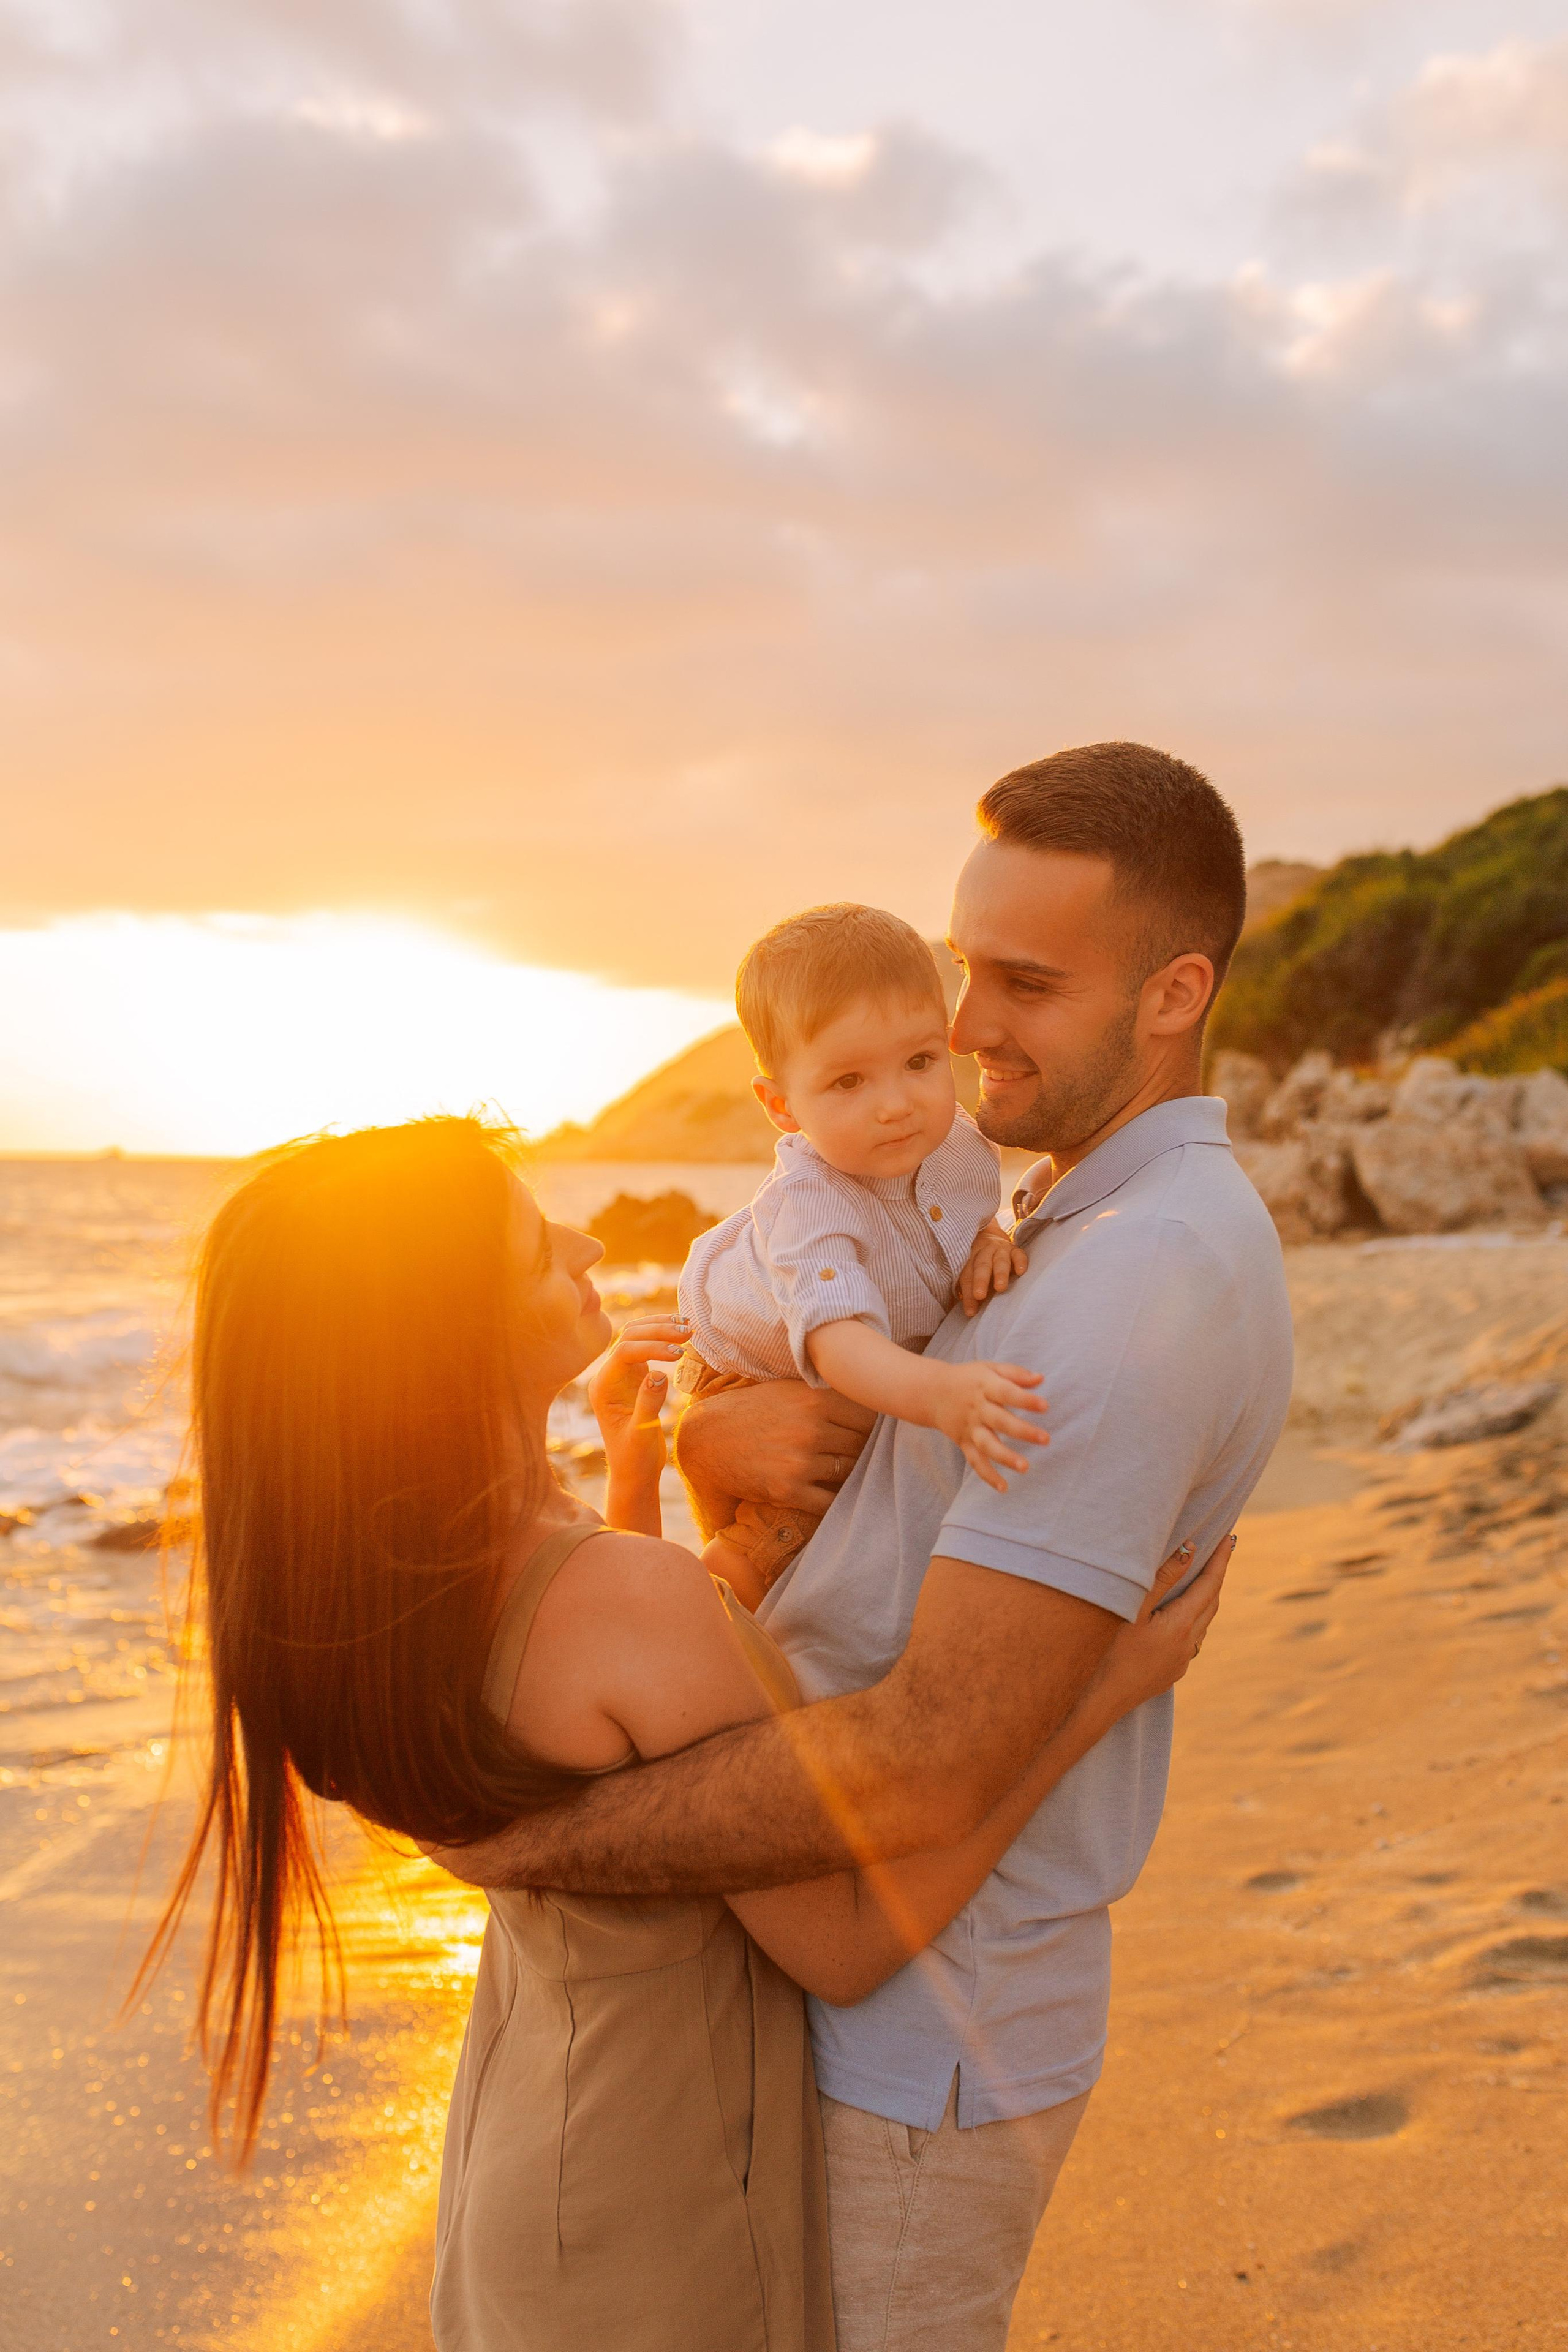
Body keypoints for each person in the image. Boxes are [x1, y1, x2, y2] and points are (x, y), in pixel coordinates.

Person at [437, 741, 1296, 2352]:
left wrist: (526, 1838)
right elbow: (855, 1531)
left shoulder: (1133, 1284)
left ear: (1173, 995)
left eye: (1024, 984)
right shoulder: (1040, 1228)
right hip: (880, 2013)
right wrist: (710, 1437)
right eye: (966, 969)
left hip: (924, 2030)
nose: (961, 1031)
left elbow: (924, 1761)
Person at [140, 1112, 1230, 2352]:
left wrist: (641, 1471)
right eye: (533, 1248)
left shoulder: (415, 1592)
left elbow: (612, 1700)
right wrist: (1097, 1691)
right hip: (651, 2196)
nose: (586, 1243)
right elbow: (847, 1940)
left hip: (532, 2144)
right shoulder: (612, 1598)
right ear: (447, 1334)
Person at [677, 899, 1040, 1604]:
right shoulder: (811, 1201)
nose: (896, 1103)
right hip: (751, 1364)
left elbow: (969, 1215)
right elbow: (839, 1345)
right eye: (849, 1081)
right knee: (790, 1529)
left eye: (918, 1061)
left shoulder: (960, 1142)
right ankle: (704, 1614)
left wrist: (989, 1238)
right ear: (782, 1107)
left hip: (856, 1346)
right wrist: (940, 1395)